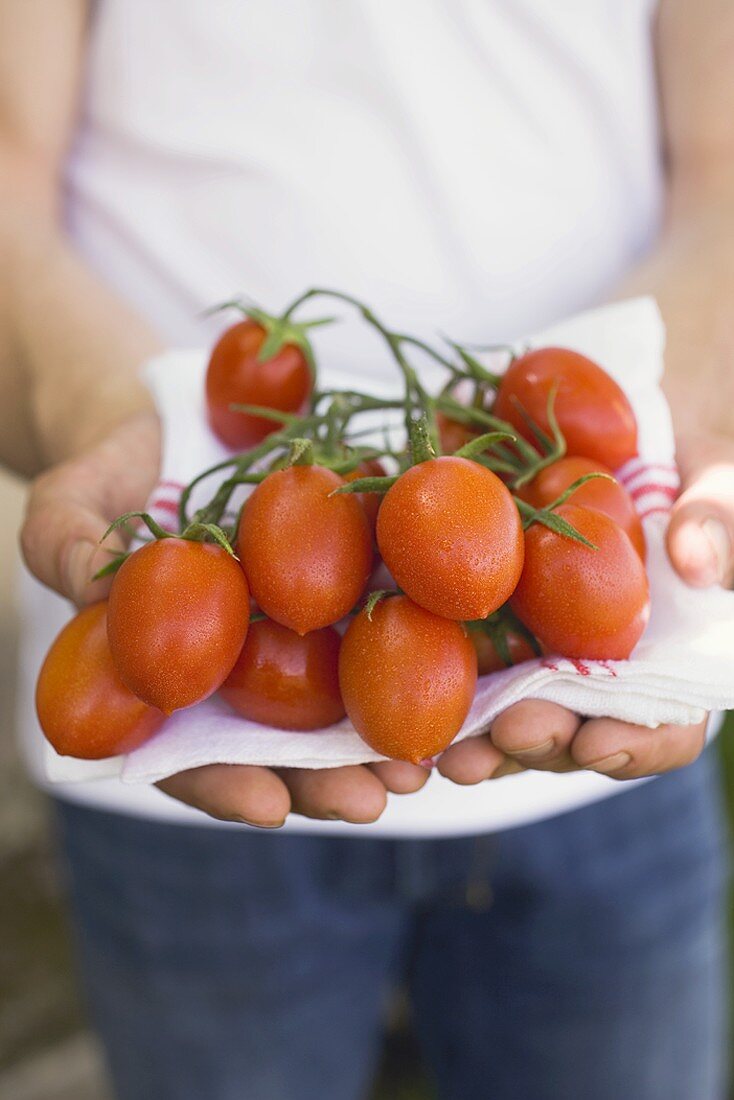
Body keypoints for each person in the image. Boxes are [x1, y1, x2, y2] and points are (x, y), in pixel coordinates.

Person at [2, 1, 733, 1096]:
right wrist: (94, 399)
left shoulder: (484, 515)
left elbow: (720, 156)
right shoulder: (300, 531)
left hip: (605, 759)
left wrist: (682, 388)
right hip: (176, 761)